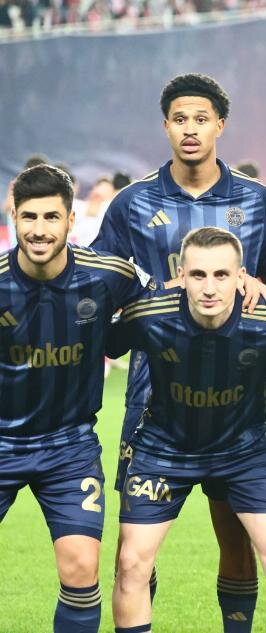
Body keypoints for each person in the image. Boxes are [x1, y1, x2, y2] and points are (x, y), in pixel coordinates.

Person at [92, 73, 266, 633]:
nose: (191, 129)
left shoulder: (256, 201)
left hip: (238, 395)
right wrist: (149, 300)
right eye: (180, 119)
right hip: (153, 396)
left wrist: (255, 287)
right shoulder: (132, 204)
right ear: (166, 127)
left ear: (220, 125)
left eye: (201, 119)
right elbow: (102, 289)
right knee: (135, 547)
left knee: (237, 535)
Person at [109, 227, 266, 633]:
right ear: (181, 276)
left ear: (241, 277)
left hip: (246, 451)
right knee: (131, 562)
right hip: (164, 449)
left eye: (221, 275)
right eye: (198, 275)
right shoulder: (149, 313)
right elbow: (94, 334)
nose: (209, 288)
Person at [0, 164, 154, 633]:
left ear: (71, 219)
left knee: (82, 571)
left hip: (69, 448)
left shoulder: (107, 274)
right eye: (29, 217)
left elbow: (166, 301)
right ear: (13, 217)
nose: (39, 229)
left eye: (51, 217)